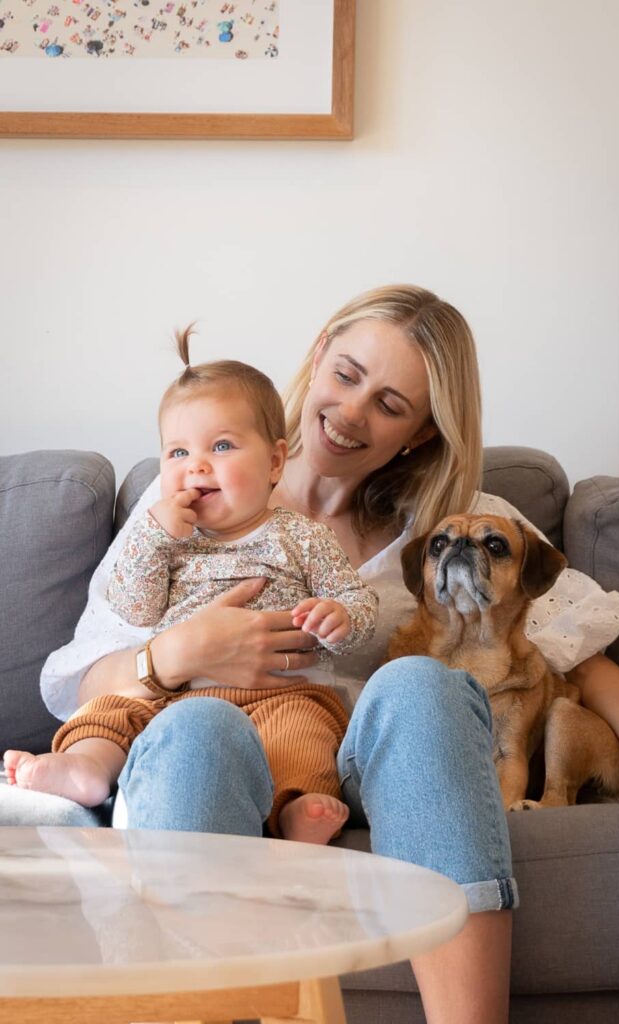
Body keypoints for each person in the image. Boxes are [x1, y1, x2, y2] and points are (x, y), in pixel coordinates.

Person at [25, 285, 619, 1024]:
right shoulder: (183, 505)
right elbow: (77, 680)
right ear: (317, 356)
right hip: (204, 741)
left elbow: (579, 658)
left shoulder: (456, 528)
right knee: (196, 730)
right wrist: (176, 655)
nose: (349, 412)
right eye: (346, 375)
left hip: (355, 763)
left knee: (420, 684)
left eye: (390, 404)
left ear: (421, 434)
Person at [4, 331, 378, 845]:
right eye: (178, 451)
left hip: (279, 692)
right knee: (110, 712)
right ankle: (85, 769)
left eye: (221, 446)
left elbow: (357, 600)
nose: (196, 465)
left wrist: (341, 616)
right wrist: (153, 539)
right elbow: (134, 611)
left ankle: (295, 807)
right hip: (171, 696)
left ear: (274, 462)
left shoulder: (302, 536)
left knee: (306, 731)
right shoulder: (165, 537)